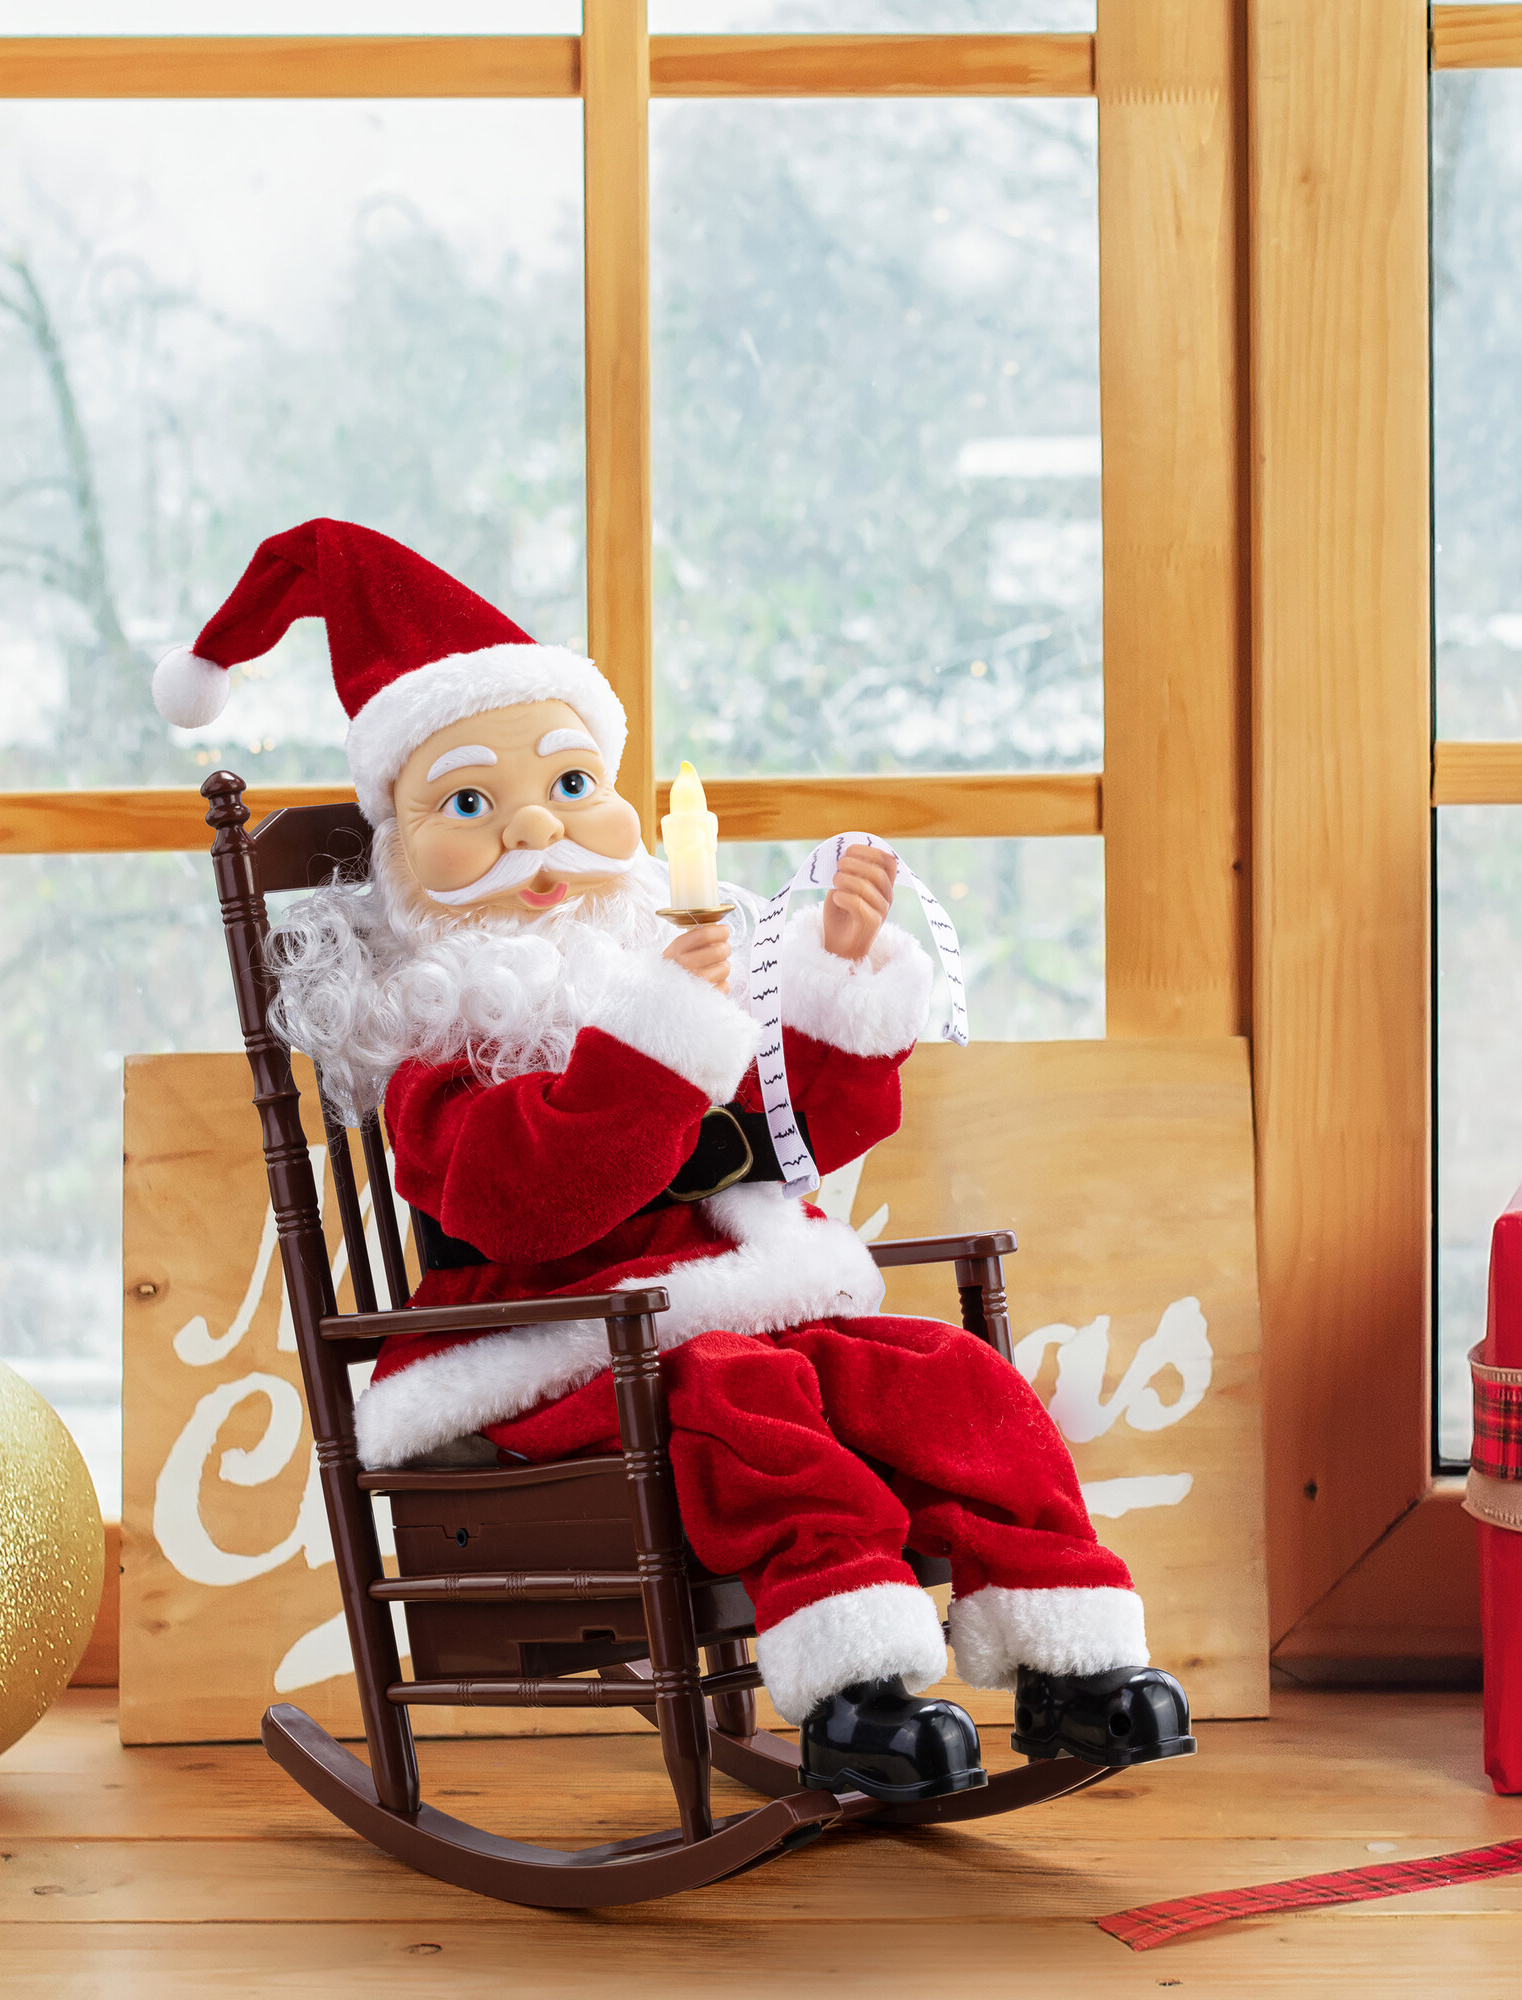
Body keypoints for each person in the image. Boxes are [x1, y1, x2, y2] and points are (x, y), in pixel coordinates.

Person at [156, 518, 1194, 1801]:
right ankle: (852, 1688)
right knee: (742, 1403)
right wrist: (654, 1038)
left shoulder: (666, 974)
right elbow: (533, 1203)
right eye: (469, 802)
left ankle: (1061, 1654)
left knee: (941, 1372)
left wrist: (835, 990)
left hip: (725, 1311)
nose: (535, 830)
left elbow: (789, 1131)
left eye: (572, 785)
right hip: (547, 1353)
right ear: (395, 861)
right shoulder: (439, 1065)